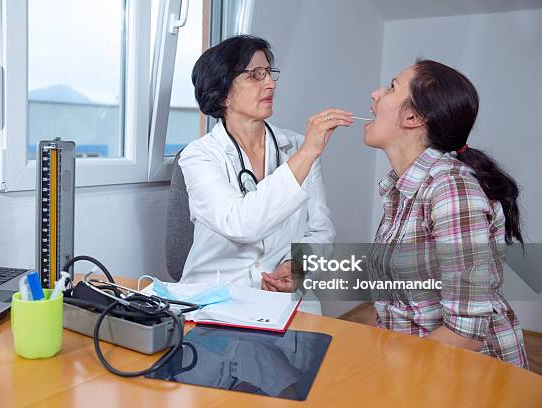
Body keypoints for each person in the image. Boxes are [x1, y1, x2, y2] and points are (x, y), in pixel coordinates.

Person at [366, 59, 528, 368]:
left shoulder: (451, 189)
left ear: (413, 117)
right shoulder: (404, 187)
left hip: (466, 376)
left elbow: (465, 335)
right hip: (415, 364)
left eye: (390, 88)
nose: (375, 94)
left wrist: (377, 373)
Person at [178, 35, 350, 313]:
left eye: (269, 73)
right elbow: (241, 224)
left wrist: (298, 265)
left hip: (283, 300)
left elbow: (320, 231)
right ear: (223, 94)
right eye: (255, 76)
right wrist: (306, 153)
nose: (270, 83)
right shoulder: (199, 156)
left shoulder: (294, 146)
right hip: (217, 300)